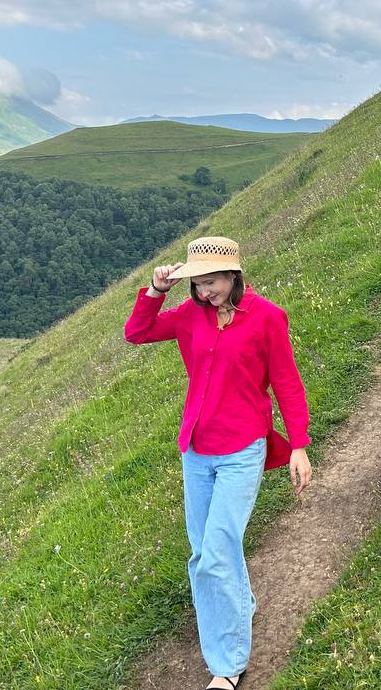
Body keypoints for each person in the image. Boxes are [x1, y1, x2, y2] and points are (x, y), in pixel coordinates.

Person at [124, 237, 313, 690]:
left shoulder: (268, 317)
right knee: (204, 551)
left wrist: (300, 445)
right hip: (197, 448)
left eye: (210, 283)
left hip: (242, 448)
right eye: (197, 283)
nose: (203, 292)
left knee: (216, 552)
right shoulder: (191, 314)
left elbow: (287, 381)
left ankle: (227, 666)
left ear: (233, 276)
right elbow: (137, 333)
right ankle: (240, 605)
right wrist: (155, 290)